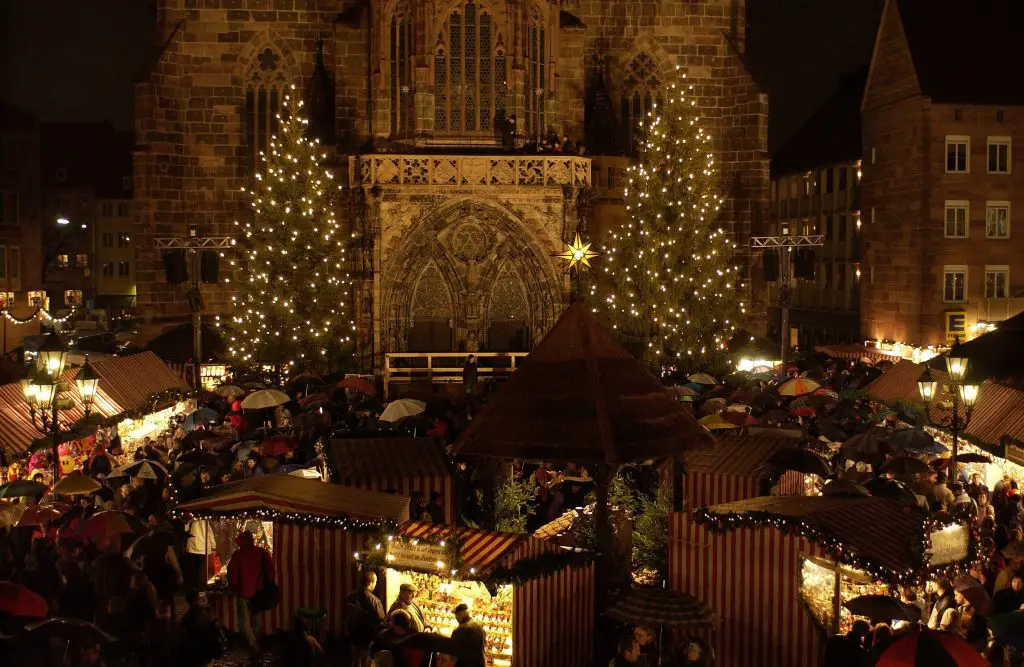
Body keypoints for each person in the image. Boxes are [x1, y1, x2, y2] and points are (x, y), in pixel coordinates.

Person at [227, 530, 275, 664]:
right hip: (259, 593)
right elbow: (271, 571)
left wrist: (234, 586)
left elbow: (233, 574)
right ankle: (258, 642)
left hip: (244, 592)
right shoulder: (262, 553)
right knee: (257, 620)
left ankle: (254, 646)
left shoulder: (238, 555)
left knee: (244, 621)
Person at [345, 570, 385, 667]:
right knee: (365, 663)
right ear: (371, 582)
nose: (375, 584)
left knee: (355, 662)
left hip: (353, 636)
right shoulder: (374, 600)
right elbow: (381, 618)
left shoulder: (350, 595)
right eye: (375, 582)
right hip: (367, 639)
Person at [177, 589, 223, 667]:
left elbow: (183, 638)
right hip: (205, 651)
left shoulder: (185, 619)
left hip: (192, 653)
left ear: (187, 601)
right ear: (198, 598)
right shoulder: (206, 613)